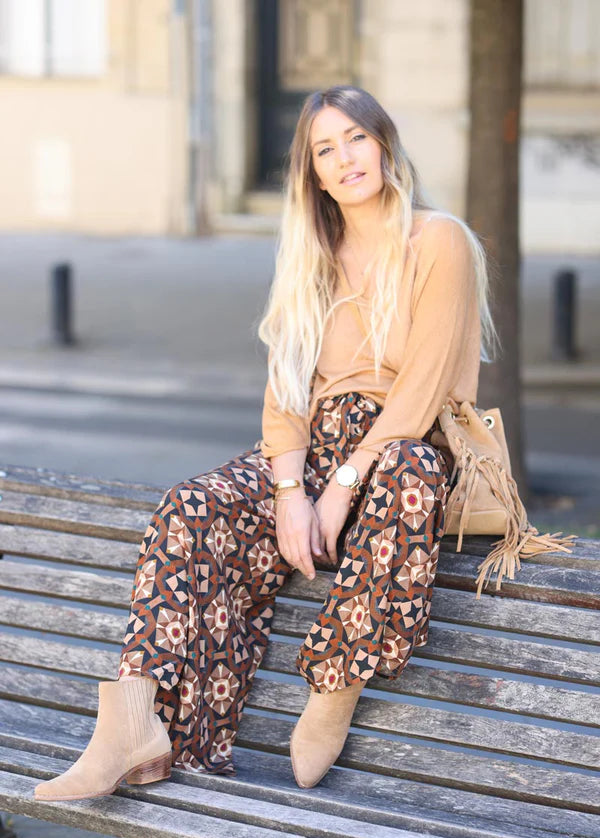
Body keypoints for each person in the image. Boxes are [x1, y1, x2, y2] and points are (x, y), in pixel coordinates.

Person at [34, 84, 496, 800]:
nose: (346, 159)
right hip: (311, 449)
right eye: (325, 150)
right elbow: (285, 390)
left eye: (357, 138)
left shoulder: (438, 240)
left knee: (407, 471)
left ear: (385, 145)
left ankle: (335, 685)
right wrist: (289, 493)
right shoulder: (311, 254)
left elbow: (424, 385)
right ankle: (134, 723)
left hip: (400, 448)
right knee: (191, 506)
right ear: (313, 174)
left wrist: (342, 486)